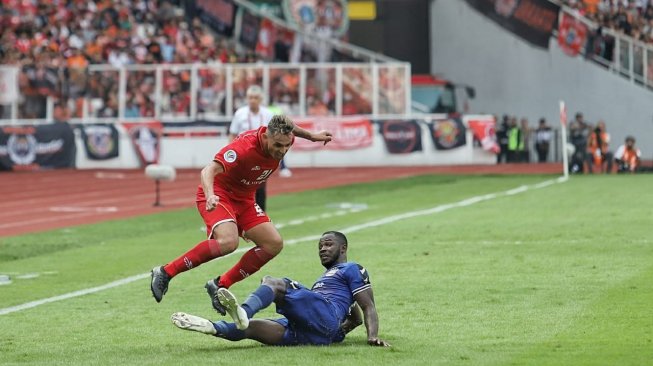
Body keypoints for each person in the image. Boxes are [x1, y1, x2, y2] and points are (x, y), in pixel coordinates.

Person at [151, 115, 332, 315]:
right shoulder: (243, 148)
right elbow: (208, 170)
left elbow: (293, 129)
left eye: (287, 146)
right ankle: (166, 272)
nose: (283, 151)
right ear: (265, 137)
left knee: (273, 244)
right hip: (219, 194)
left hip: (245, 199)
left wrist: (313, 136)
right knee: (228, 243)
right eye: (278, 146)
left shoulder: (284, 136)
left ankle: (220, 285)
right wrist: (210, 196)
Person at [170, 231, 391, 347]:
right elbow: (356, 318)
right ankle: (211, 327)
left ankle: (244, 311)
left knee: (275, 283)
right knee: (250, 329)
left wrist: (373, 336)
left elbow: (367, 306)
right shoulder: (327, 280)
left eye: (328, 244)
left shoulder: (352, 268)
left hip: (325, 315)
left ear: (343, 248)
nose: (322, 249)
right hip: (315, 331)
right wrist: (335, 333)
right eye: (320, 246)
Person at [228, 85, 275, 211]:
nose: (252, 100)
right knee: (239, 186)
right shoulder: (240, 113)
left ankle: (261, 217)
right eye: (250, 98)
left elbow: (273, 135)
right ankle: (235, 214)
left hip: (261, 155)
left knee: (260, 187)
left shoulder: (268, 114)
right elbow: (233, 133)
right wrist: (231, 153)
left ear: (260, 99)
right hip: (242, 155)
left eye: (255, 98)